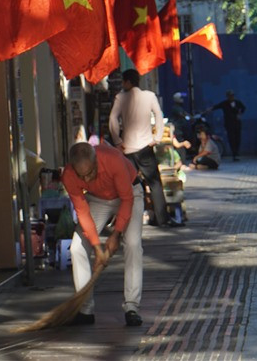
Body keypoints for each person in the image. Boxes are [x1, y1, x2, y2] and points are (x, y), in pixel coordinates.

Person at [62, 142, 145, 327]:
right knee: (77, 248)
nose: (88, 178)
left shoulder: (112, 159)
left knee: (132, 243)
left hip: (130, 192)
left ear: (96, 161)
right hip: (98, 199)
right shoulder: (68, 175)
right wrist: (96, 245)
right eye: (82, 176)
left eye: (91, 172)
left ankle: (132, 307)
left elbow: (126, 199)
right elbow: (82, 211)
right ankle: (85, 309)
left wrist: (116, 234)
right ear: (73, 168)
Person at [108, 69, 176, 227]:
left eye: (124, 81)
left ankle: (126, 220)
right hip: (145, 147)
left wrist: (117, 140)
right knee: (154, 183)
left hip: (127, 148)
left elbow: (112, 118)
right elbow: (159, 115)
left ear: (128, 82)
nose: (123, 84)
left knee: (127, 185)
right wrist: (157, 137)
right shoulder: (149, 96)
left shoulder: (120, 98)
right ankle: (162, 219)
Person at [209, 89, 246, 161]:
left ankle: (237, 153)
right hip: (229, 124)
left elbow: (243, 108)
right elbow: (217, 106)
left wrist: (240, 113)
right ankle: (234, 154)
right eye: (229, 96)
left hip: (237, 123)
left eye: (232, 96)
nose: (231, 97)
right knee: (231, 138)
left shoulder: (238, 103)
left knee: (238, 138)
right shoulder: (225, 103)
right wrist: (210, 109)